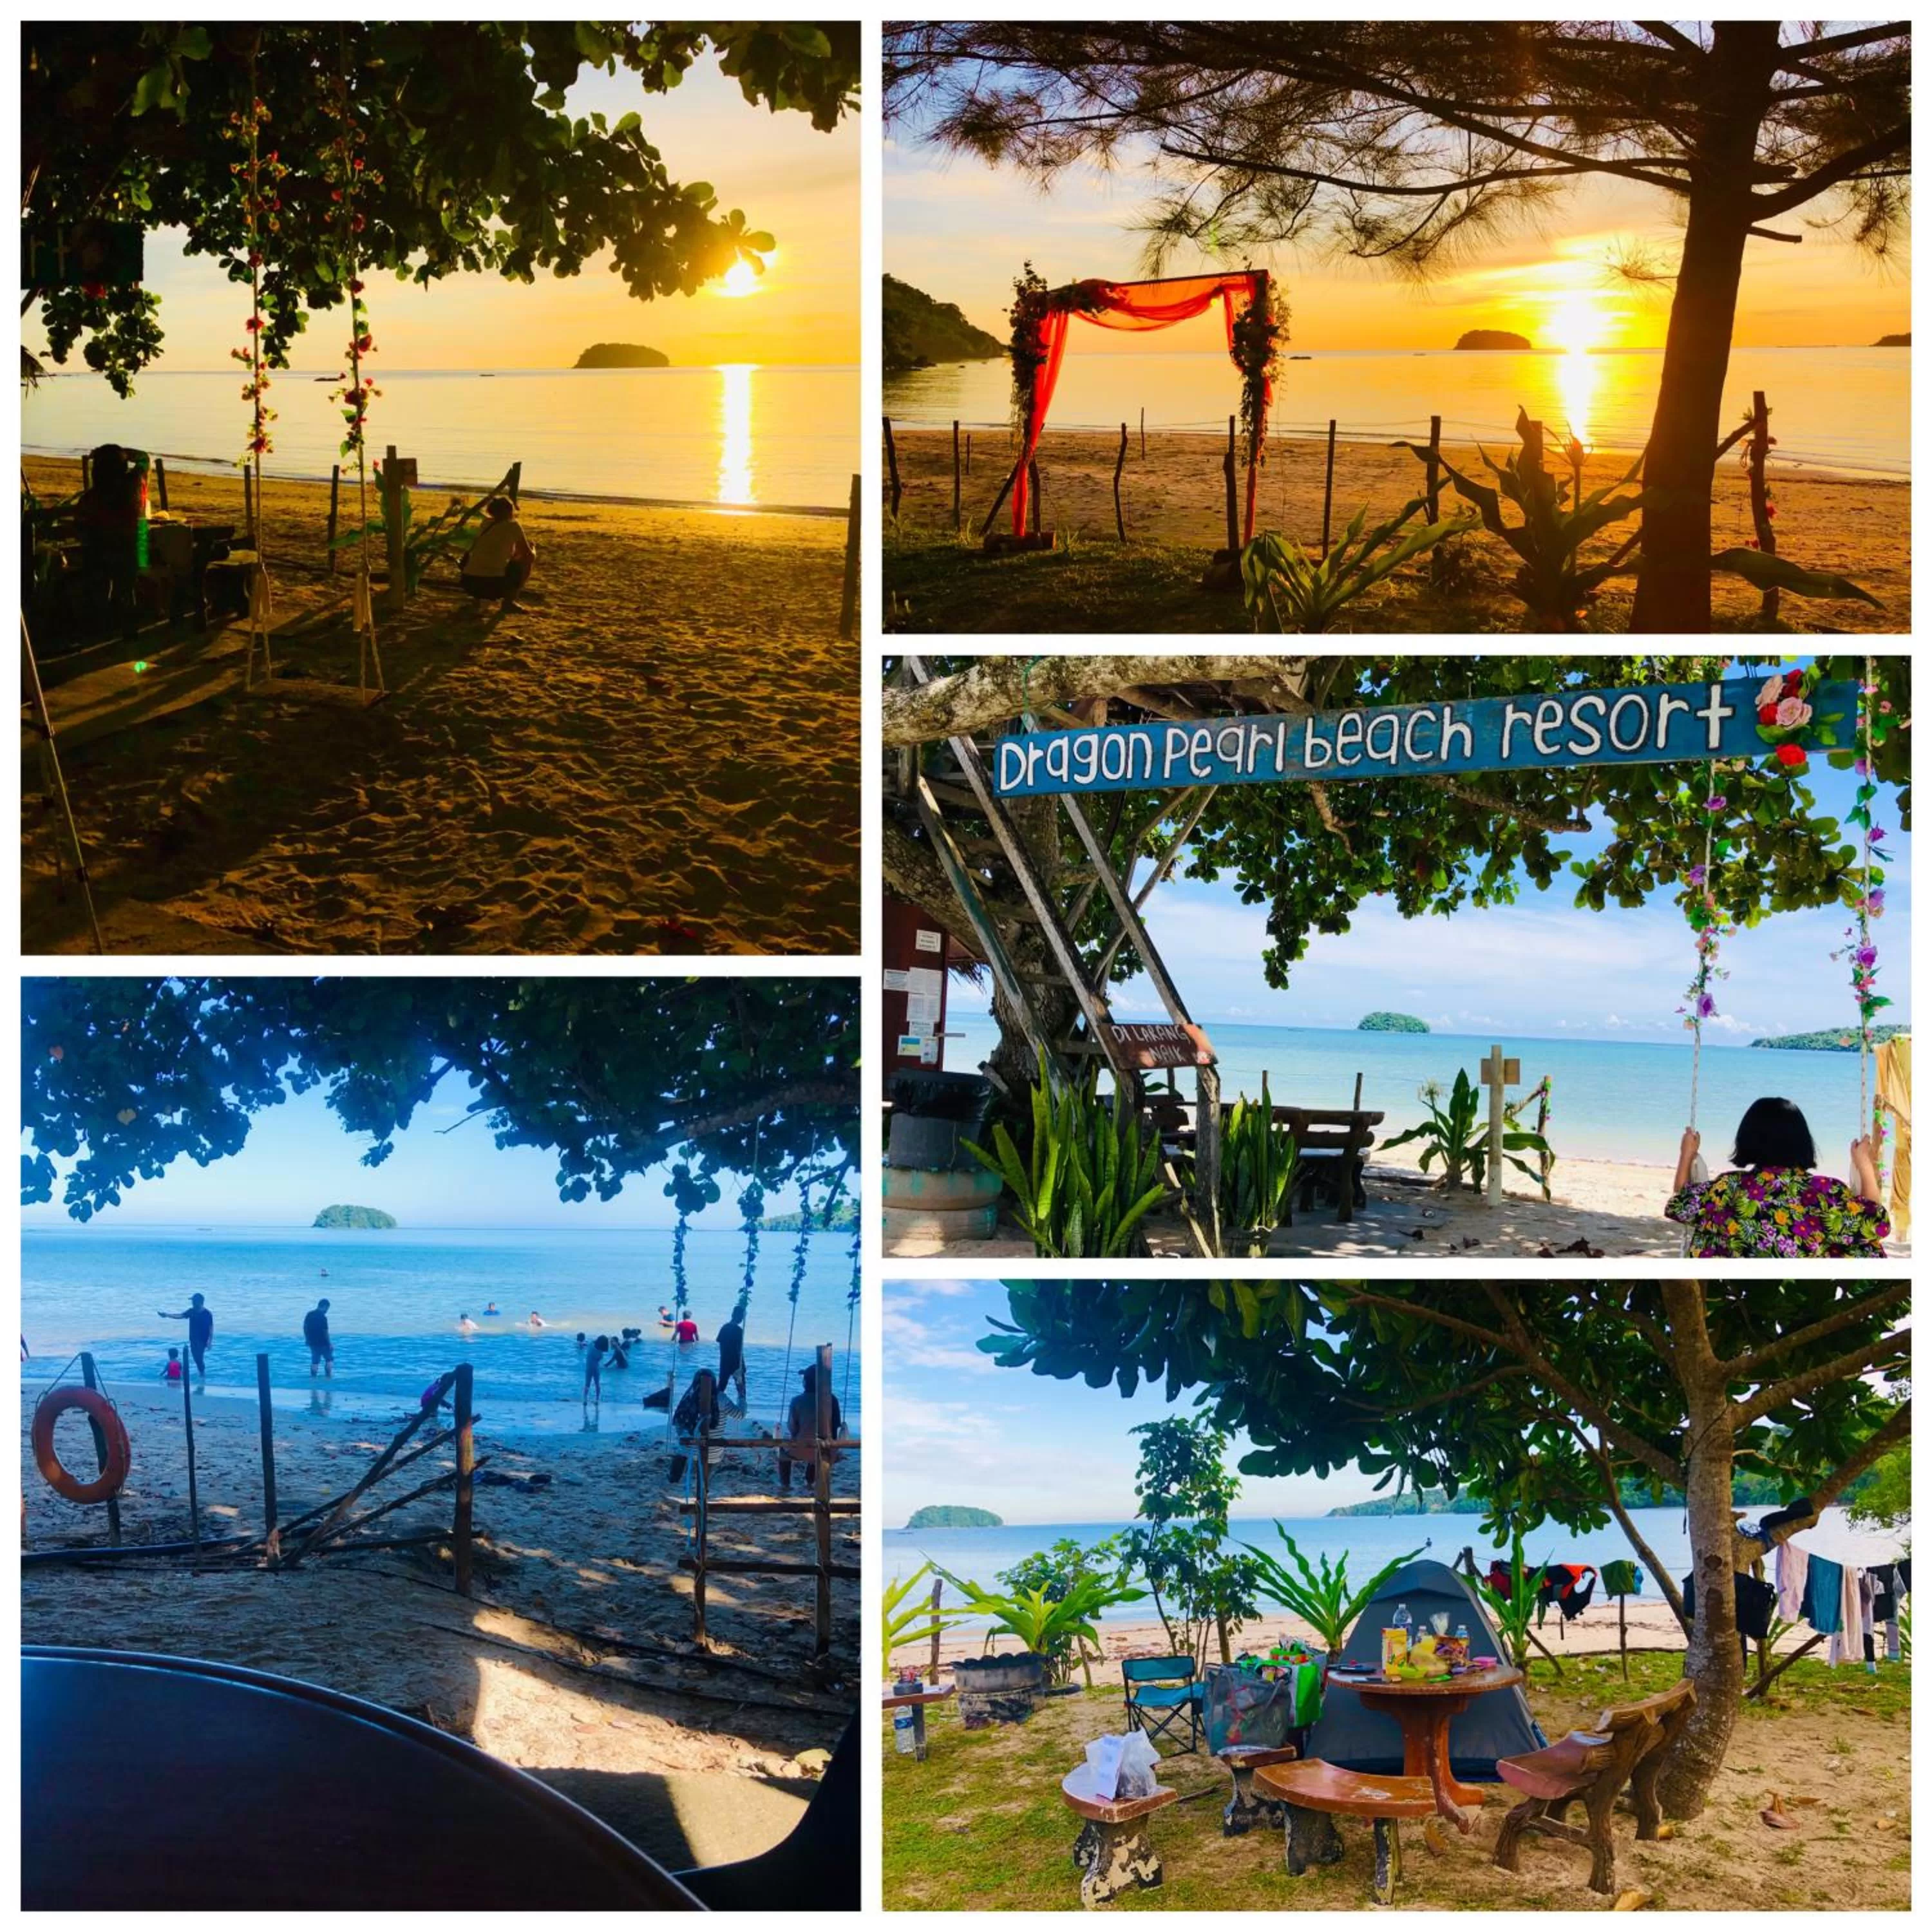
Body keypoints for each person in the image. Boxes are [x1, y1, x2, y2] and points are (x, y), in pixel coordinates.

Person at [1666, 1099, 1890, 1258]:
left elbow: (1680, 1203)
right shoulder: (1825, 1193)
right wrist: (1864, 1164)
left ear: (1747, 1139)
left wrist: (1686, 1155)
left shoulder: (1728, 1187)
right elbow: (1877, 1223)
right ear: (1803, 1141)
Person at [72, 443, 144, 639]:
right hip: (129, 552)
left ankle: (100, 628)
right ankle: (130, 630)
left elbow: (80, 528)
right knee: (127, 591)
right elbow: (145, 460)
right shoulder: (132, 488)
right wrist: (126, 453)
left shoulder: (91, 498)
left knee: (99, 589)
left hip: (99, 554)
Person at [459, 497, 536, 614]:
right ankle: (509, 602)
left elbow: (497, 548)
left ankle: (478, 599)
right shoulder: (513, 526)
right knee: (526, 562)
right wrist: (533, 549)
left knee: (490, 559)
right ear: (510, 511)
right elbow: (529, 556)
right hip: (493, 584)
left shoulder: (486, 523)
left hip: (469, 582)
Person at [778, 1363, 842, 1495]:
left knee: (782, 1453)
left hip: (802, 1449)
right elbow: (835, 1429)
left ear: (806, 1382)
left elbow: (793, 1428)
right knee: (819, 1444)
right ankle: (809, 1481)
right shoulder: (833, 1400)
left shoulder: (797, 1401)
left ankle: (786, 1485)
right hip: (826, 1451)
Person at [668, 1368, 720, 1484]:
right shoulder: (720, 1399)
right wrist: (741, 1391)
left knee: (683, 1446)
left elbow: (679, 1425)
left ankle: (674, 1477)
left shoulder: (688, 1399)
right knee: (711, 1451)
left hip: (689, 1449)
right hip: (712, 1452)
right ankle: (704, 1482)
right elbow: (740, 1414)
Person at [158, 1293, 213, 1376]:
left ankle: (202, 1374)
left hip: (203, 1339)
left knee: (199, 1357)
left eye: (194, 1301)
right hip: (193, 1338)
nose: (192, 1303)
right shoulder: (191, 1311)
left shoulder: (207, 1314)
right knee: (196, 1357)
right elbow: (181, 1316)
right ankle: (202, 1374)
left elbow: (211, 1328)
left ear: (199, 1302)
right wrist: (167, 1315)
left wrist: (210, 1341)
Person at [715, 1296, 748, 1407]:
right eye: (742, 1317)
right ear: (738, 1316)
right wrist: (742, 1366)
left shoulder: (724, 1328)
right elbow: (739, 1350)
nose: (742, 1319)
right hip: (735, 1363)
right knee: (741, 1389)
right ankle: (741, 1410)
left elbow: (721, 1344)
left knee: (721, 1387)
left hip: (725, 1362)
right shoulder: (739, 1331)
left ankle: (716, 1407)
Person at [303, 1297, 334, 1378]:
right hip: (323, 1342)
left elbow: (305, 1328)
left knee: (315, 1362)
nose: (327, 1311)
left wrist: (307, 1339)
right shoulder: (323, 1317)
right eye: (327, 1308)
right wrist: (329, 1343)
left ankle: (313, 1379)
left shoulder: (309, 1314)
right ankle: (328, 1378)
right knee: (329, 1360)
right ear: (325, 1306)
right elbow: (325, 1331)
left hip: (312, 1342)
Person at [583, 1334, 609, 1407]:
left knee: (587, 1384)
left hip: (589, 1368)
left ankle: (585, 1399)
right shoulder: (600, 1353)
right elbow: (599, 1360)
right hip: (596, 1369)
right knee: (597, 1384)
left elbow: (592, 1342)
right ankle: (597, 1400)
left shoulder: (591, 1346)